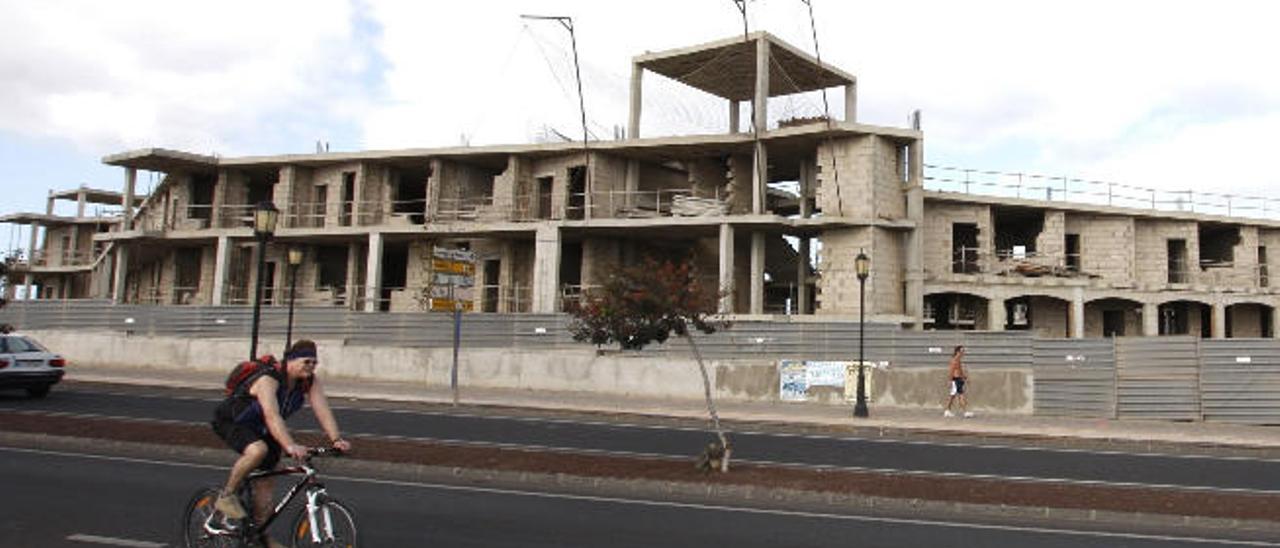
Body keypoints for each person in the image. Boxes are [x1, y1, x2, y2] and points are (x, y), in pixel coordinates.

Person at [211, 339, 351, 547]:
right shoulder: (269, 379)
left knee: (266, 492)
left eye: (314, 363)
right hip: (233, 421)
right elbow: (272, 415)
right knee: (258, 450)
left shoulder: (309, 381)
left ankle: (259, 536)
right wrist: (290, 446)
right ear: (291, 361)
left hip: (264, 429)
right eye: (307, 362)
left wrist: (336, 439)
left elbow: (322, 409)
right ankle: (227, 496)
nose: (311, 367)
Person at [943, 345, 974, 418]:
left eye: (963, 351)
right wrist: (950, 380)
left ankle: (947, 411)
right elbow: (951, 371)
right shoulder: (955, 360)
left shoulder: (958, 360)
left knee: (952, 396)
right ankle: (965, 412)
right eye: (962, 351)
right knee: (961, 395)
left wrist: (964, 378)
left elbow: (960, 371)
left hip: (958, 379)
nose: (963, 353)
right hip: (956, 380)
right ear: (958, 352)